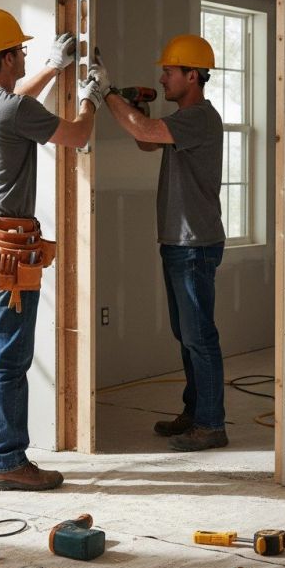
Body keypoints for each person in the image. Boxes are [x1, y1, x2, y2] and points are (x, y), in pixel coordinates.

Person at [0, 8, 102, 490]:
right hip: (9, 248)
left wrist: (51, 67)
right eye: (18, 50)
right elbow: (77, 135)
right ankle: (9, 462)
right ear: (2, 56)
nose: (23, 55)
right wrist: (90, 98)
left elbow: (13, 101)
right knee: (11, 356)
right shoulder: (16, 110)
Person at [89, 35, 228, 452]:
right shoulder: (182, 122)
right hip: (179, 241)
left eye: (169, 71)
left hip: (194, 244)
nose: (162, 77)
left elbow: (145, 129)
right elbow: (147, 139)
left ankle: (211, 424)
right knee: (186, 334)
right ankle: (195, 412)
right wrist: (134, 106)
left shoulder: (200, 116)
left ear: (193, 75)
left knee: (199, 336)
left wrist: (106, 93)